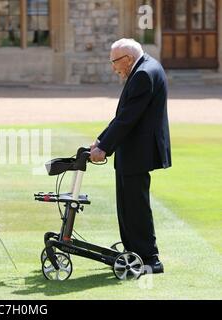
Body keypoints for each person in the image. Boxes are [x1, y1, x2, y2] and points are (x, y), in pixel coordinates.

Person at [89, 38, 171, 274]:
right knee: (127, 205)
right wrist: (101, 140)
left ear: (128, 59)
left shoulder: (143, 74)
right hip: (133, 150)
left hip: (138, 151)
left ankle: (149, 259)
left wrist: (104, 147)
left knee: (135, 206)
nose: (114, 68)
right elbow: (124, 115)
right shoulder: (146, 67)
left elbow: (128, 118)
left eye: (114, 62)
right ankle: (134, 251)